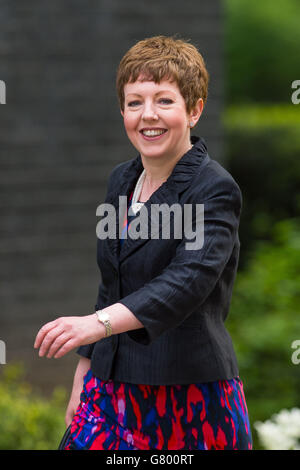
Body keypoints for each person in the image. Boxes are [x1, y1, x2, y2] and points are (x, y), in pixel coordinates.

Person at [34, 35, 253, 450]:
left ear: (194, 110)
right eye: (135, 102)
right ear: (123, 112)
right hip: (109, 388)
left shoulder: (214, 188)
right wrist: (85, 369)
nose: (147, 115)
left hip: (188, 393)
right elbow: (111, 284)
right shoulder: (121, 180)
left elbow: (185, 282)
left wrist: (91, 326)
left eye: (164, 101)